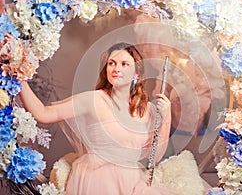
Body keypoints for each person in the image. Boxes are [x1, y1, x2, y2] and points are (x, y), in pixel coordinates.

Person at [20, 42, 175, 195]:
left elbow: (154, 157)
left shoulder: (146, 109)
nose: (116, 69)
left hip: (132, 182)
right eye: (111, 63)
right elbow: (44, 113)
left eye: (124, 64)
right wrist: (18, 79)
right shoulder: (93, 100)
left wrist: (166, 117)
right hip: (96, 179)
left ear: (137, 73)